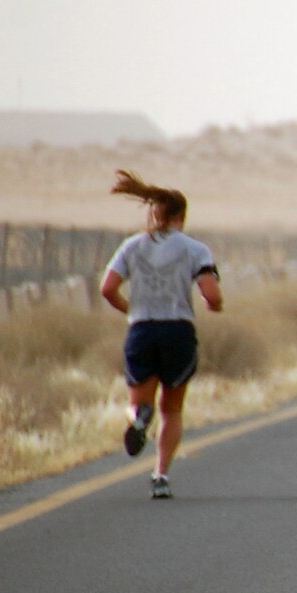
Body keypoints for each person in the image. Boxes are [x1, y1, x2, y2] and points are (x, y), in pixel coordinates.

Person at [99, 171, 224, 499]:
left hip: (141, 329)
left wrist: (131, 309)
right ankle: (161, 475)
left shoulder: (131, 246)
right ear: (181, 216)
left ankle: (138, 420)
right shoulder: (195, 249)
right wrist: (214, 305)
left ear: (153, 214)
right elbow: (212, 295)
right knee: (171, 409)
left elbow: (107, 288)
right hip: (177, 330)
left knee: (139, 403)